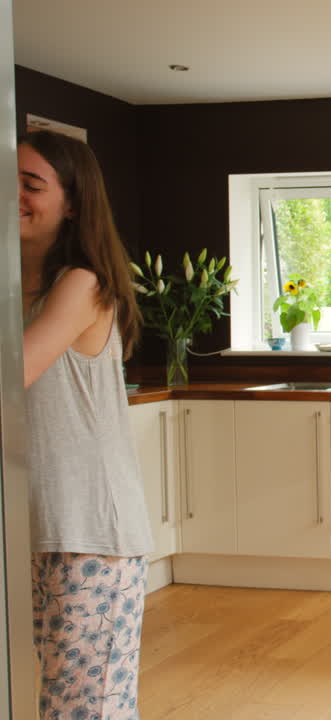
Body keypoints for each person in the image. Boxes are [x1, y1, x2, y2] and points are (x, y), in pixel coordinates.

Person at [19, 129, 152, 719]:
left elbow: (9, 373)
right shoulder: (12, 287)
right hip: (30, 526)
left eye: (31, 184)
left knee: (85, 710)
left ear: (72, 201)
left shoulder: (82, 283)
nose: (13, 196)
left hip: (89, 535)